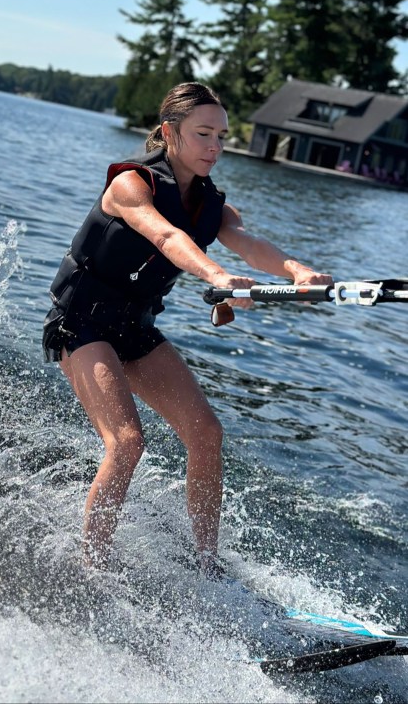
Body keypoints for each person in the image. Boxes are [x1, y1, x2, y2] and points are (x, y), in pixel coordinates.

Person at [43, 82, 332, 576]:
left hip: (134, 329)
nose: (216, 147)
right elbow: (166, 235)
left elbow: (249, 243)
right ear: (168, 134)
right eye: (203, 134)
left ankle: (205, 564)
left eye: (221, 135)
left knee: (206, 433)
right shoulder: (131, 186)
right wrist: (218, 277)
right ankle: (92, 569)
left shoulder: (212, 204)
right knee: (128, 442)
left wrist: (297, 272)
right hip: (81, 323)